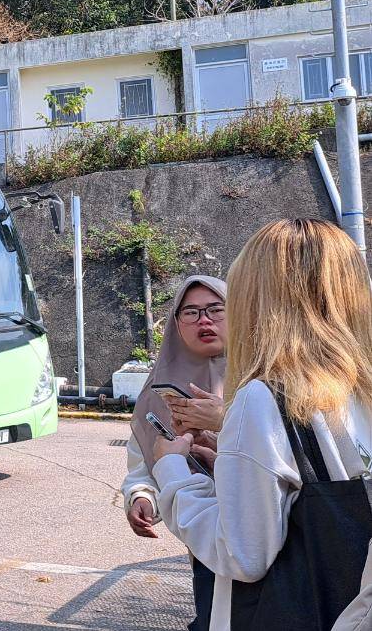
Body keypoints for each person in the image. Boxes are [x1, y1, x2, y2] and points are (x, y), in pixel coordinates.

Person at [154, 219, 372, 631]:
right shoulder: (360, 389)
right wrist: (233, 464)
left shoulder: (264, 397)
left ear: (256, 301)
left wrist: (172, 473)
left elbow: (243, 554)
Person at [123, 275, 228, 631]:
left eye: (215, 309)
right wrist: (143, 495)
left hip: (269, 529)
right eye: (191, 312)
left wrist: (226, 420)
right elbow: (144, 459)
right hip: (201, 530)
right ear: (176, 325)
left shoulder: (265, 374)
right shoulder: (159, 387)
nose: (204, 320)